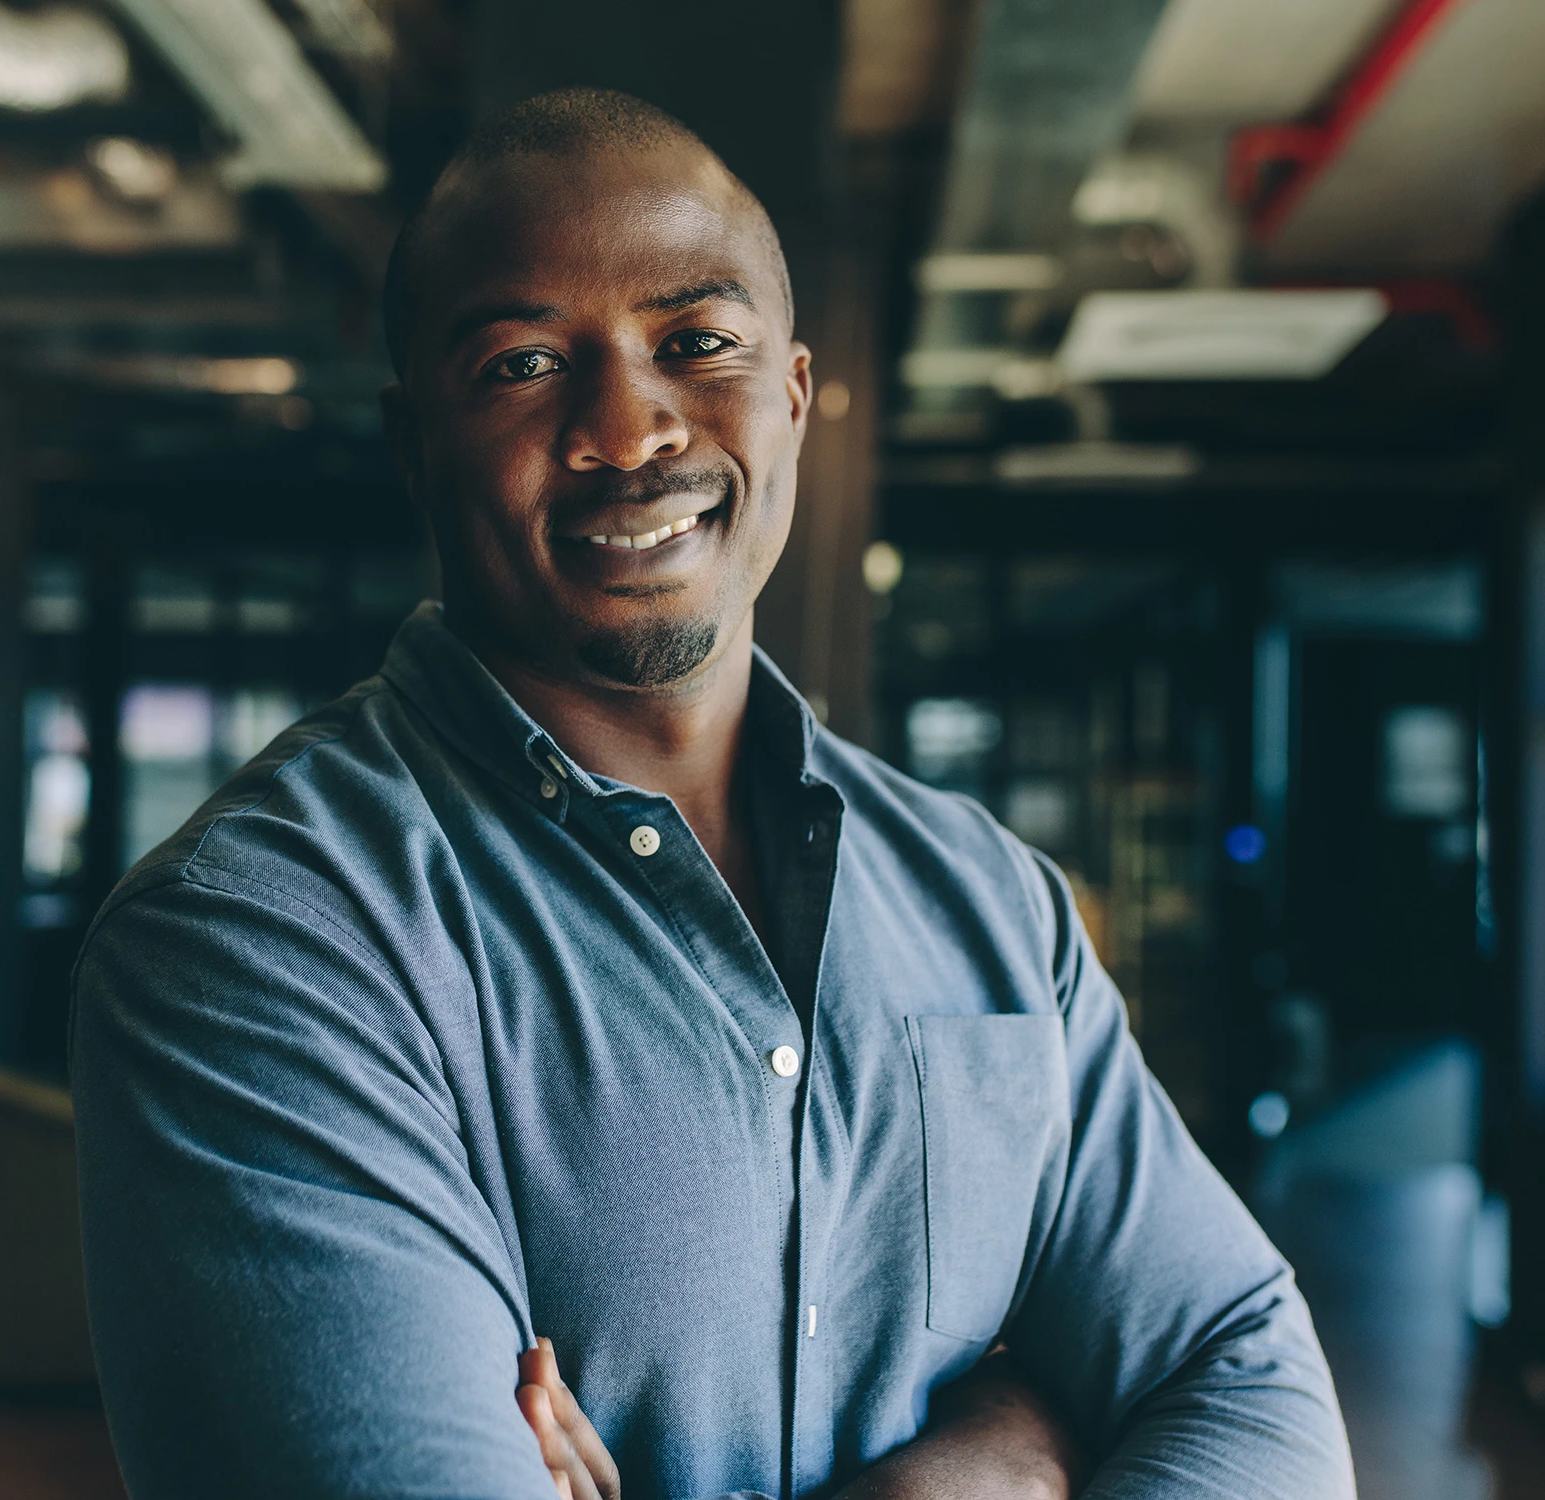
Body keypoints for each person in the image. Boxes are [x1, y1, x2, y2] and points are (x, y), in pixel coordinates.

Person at [71, 88, 1354, 1500]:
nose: (627, 427)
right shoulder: (259, 943)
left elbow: (1243, 1374)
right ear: (413, 443)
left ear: (793, 397)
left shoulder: (992, 902)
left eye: (695, 342)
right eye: (521, 363)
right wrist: (1001, 1457)